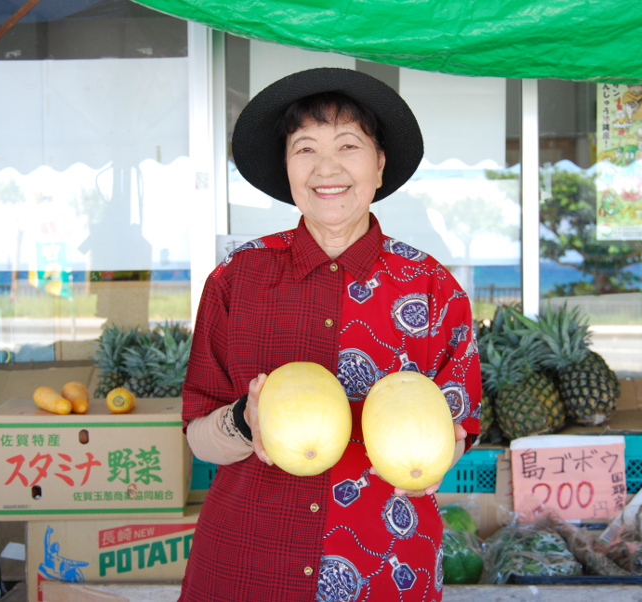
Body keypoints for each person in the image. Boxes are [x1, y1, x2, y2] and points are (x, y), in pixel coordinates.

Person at [179, 67, 481, 601]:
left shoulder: (434, 288)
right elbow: (196, 435)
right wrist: (244, 421)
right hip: (251, 561)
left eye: (348, 145)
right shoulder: (236, 279)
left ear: (379, 163)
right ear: (286, 166)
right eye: (305, 148)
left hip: (386, 565)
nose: (327, 168)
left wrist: (438, 456)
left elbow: (460, 425)